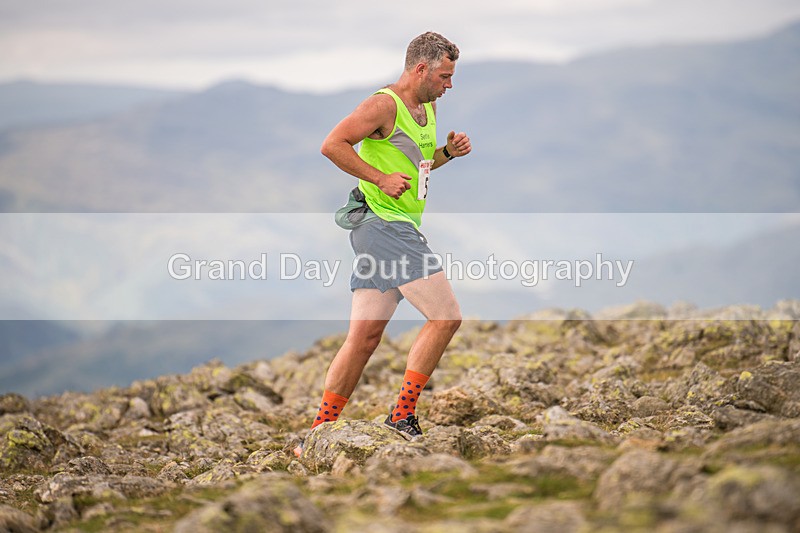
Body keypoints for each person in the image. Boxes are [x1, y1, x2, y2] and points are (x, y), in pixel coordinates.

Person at [295, 32, 471, 456]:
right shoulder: (383, 105)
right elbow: (331, 144)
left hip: (389, 227)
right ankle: (402, 414)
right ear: (420, 68)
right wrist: (378, 179)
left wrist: (446, 152)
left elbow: (413, 169)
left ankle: (317, 435)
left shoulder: (424, 109)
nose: (449, 85)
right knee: (446, 318)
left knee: (364, 338)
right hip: (385, 226)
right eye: (445, 76)